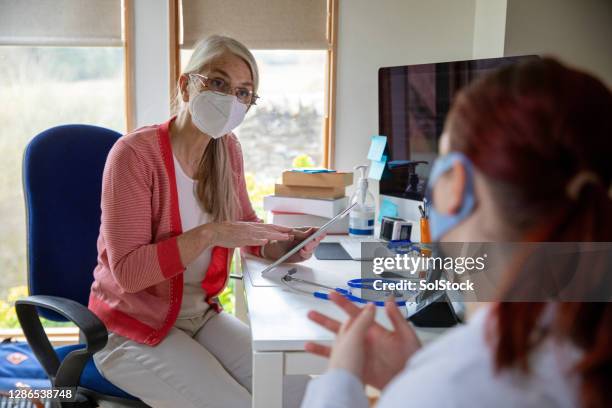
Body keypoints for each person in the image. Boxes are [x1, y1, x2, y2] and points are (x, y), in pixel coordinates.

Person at [301, 58, 612, 408]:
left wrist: (341, 379)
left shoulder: (458, 382)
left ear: (457, 185)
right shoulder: (580, 348)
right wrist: (409, 378)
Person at [88, 35, 321, 408]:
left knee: (303, 395)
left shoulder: (227, 149)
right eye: (218, 82)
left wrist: (284, 244)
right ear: (186, 84)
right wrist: (211, 233)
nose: (231, 99)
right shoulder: (133, 155)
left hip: (200, 316)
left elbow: (245, 226)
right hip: (129, 329)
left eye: (244, 92)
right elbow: (129, 274)